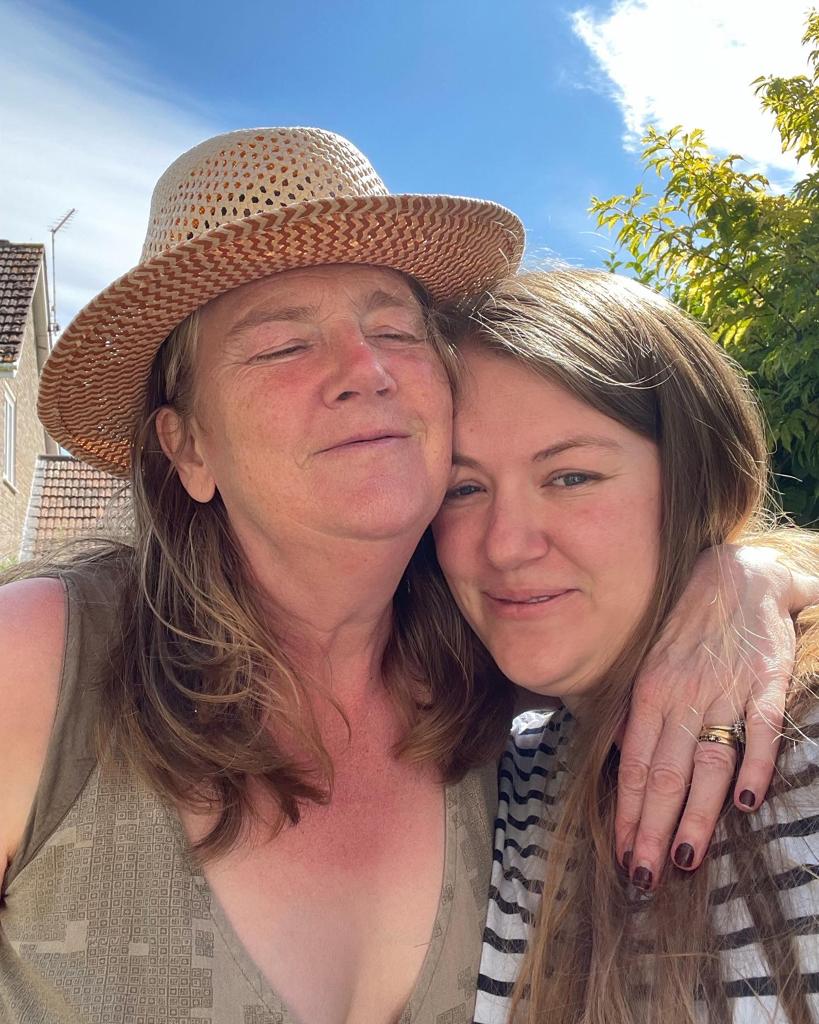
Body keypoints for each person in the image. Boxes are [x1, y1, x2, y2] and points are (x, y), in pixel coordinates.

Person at [0, 128, 813, 1024]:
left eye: (394, 328)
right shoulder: (44, 663)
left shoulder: (495, 686)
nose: (367, 369)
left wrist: (745, 568)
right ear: (188, 446)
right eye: (281, 346)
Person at [431, 268, 819, 1024]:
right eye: (461, 488)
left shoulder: (797, 737)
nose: (505, 546)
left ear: (697, 477)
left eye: (571, 476)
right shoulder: (492, 780)